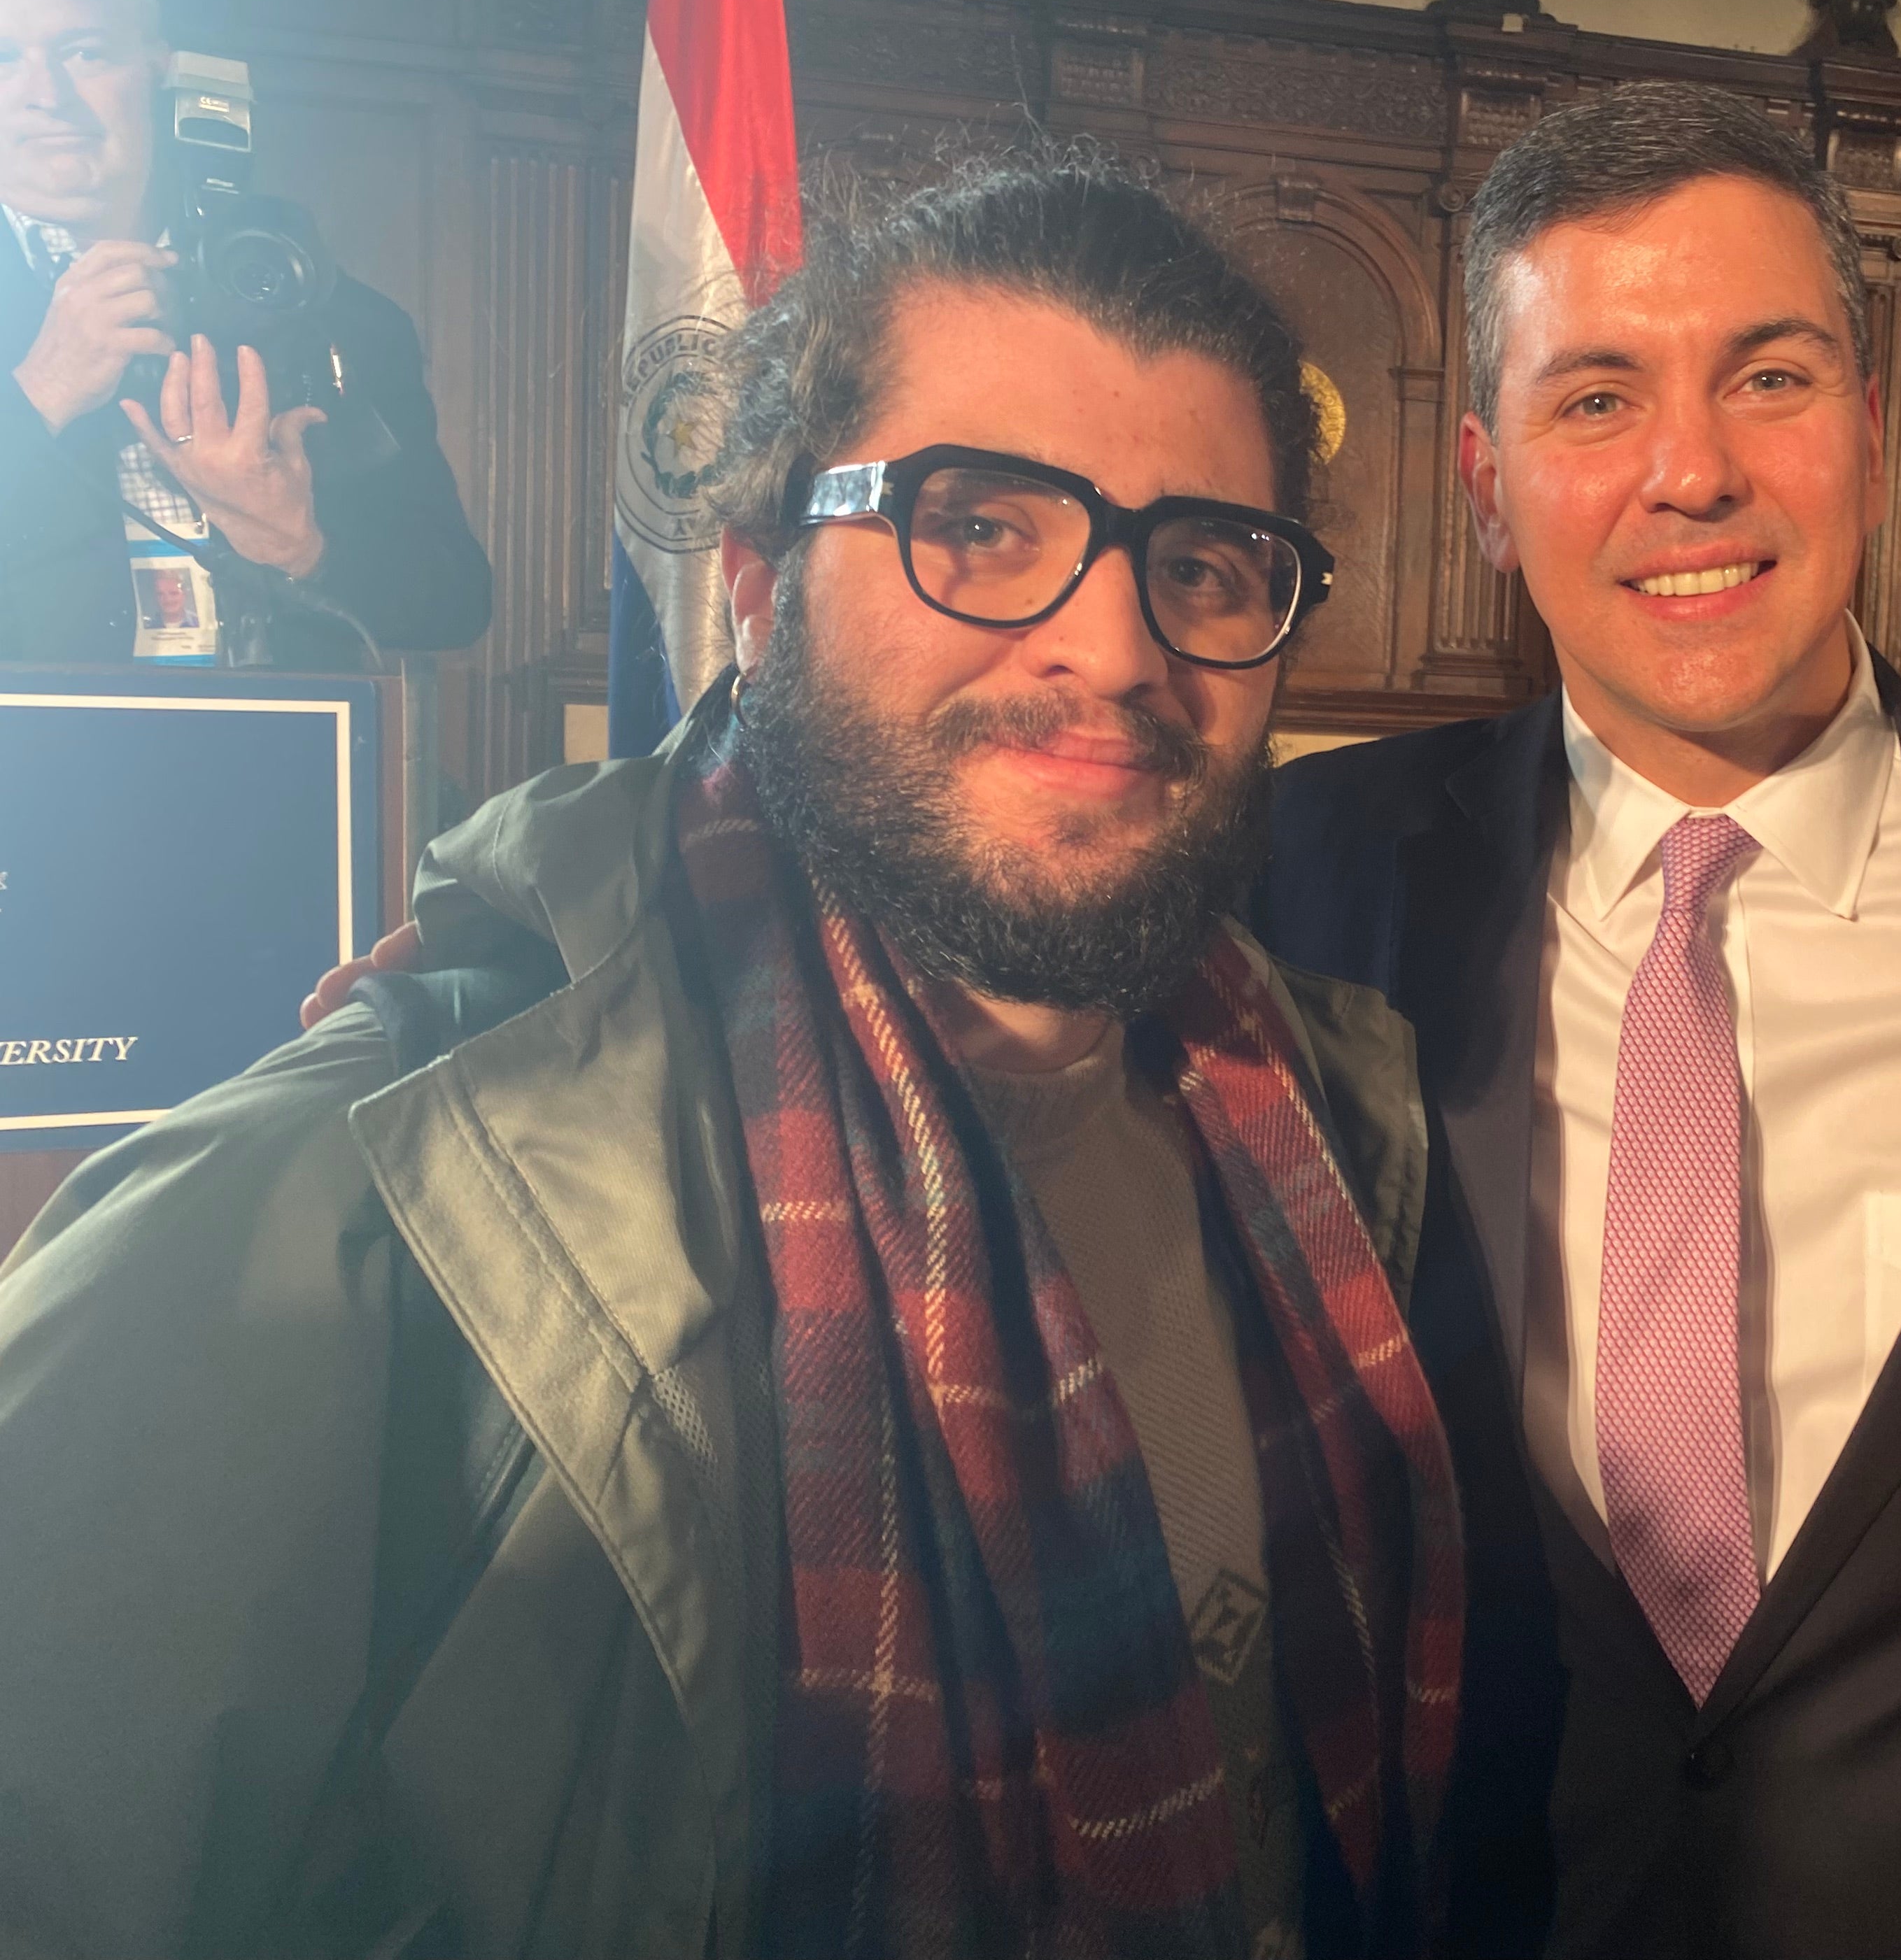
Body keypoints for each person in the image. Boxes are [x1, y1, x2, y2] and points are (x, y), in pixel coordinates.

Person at [0, 158, 1459, 1959]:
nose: (1112, 643)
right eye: (980, 526)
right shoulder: (335, 1220)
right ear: (763, 587)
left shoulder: (1328, 1118)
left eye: (1207, 563)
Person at [1249, 81, 1901, 1957]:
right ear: (1489, 492)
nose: (1694, 473)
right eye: (1597, 400)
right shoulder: (1290, 885)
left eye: (1769, 378)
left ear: (1874, 428)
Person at [0, 0, 488, 668]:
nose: (44, 95)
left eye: (85, 51)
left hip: (287, 774)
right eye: (5, 56)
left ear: (156, 65)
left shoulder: (331, 314)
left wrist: (303, 544)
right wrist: (38, 397)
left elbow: (457, 600)